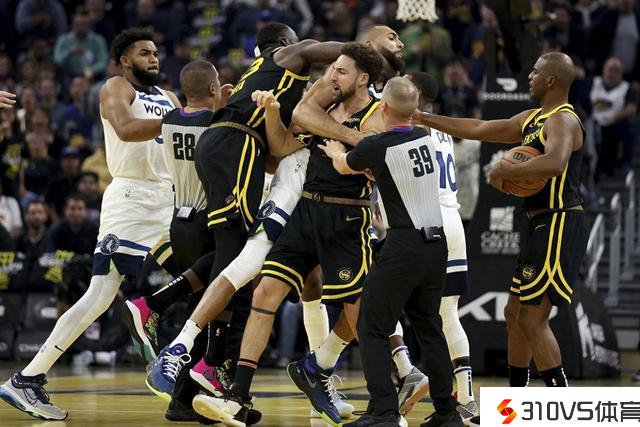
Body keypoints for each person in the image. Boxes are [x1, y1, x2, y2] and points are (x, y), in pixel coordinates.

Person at [143, 22, 348, 403]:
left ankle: (243, 383)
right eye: (331, 77)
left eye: (340, 77)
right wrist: (364, 53)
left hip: (266, 180)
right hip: (268, 181)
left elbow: (273, 153)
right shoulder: (300, 92)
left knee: (302, 282)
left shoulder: (283, 95)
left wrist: (276, 115)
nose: (333, 81)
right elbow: (284, 147)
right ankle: (179, 338)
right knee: (240, 265)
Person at [191, 42, 383, 427]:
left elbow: (371, 159)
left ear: (363, 79)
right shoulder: (324, 102)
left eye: (342, 71)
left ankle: (356, 384)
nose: (332, 75)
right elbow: (290, 132)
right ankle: (237, 397)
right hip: (306, 211)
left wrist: (347, 152)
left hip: (347, 216)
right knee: (264, 292)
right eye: (333, 68)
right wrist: (281, 116)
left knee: (359, 311)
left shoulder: (378, 113)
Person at [0, 28, 180, 421]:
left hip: (170, 197)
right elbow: (126, 129)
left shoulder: (169, 97)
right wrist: (183, 118)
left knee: (204, 273)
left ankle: (182, 365)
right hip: (131, 198)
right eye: (144, 53)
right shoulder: (116, 87)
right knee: (100, 294)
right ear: (125, 60)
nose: (153, 58)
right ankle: (27, 378)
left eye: (155, 52)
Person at [416, 52, 589, 391]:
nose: (530, 76)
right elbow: (480, 129)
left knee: (533, 318)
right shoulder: (532, 118)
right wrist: (424, 118)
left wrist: (506, 172)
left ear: (551, 80)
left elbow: (555, 162)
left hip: (559, 221)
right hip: (537, 222)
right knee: (514, 313)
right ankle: (516, 402)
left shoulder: (563, 120)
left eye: (535, 72)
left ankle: (562, 401)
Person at [322, 76, 462, 427]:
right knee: (430, 326)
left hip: (405, 244)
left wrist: (335, 151)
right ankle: (447, 412)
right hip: (436, 244)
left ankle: (384, 410)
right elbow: (393, 169)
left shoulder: (378, 145)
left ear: (382, 106)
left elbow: (345, 165)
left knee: (371, 325)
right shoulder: (424, 136)